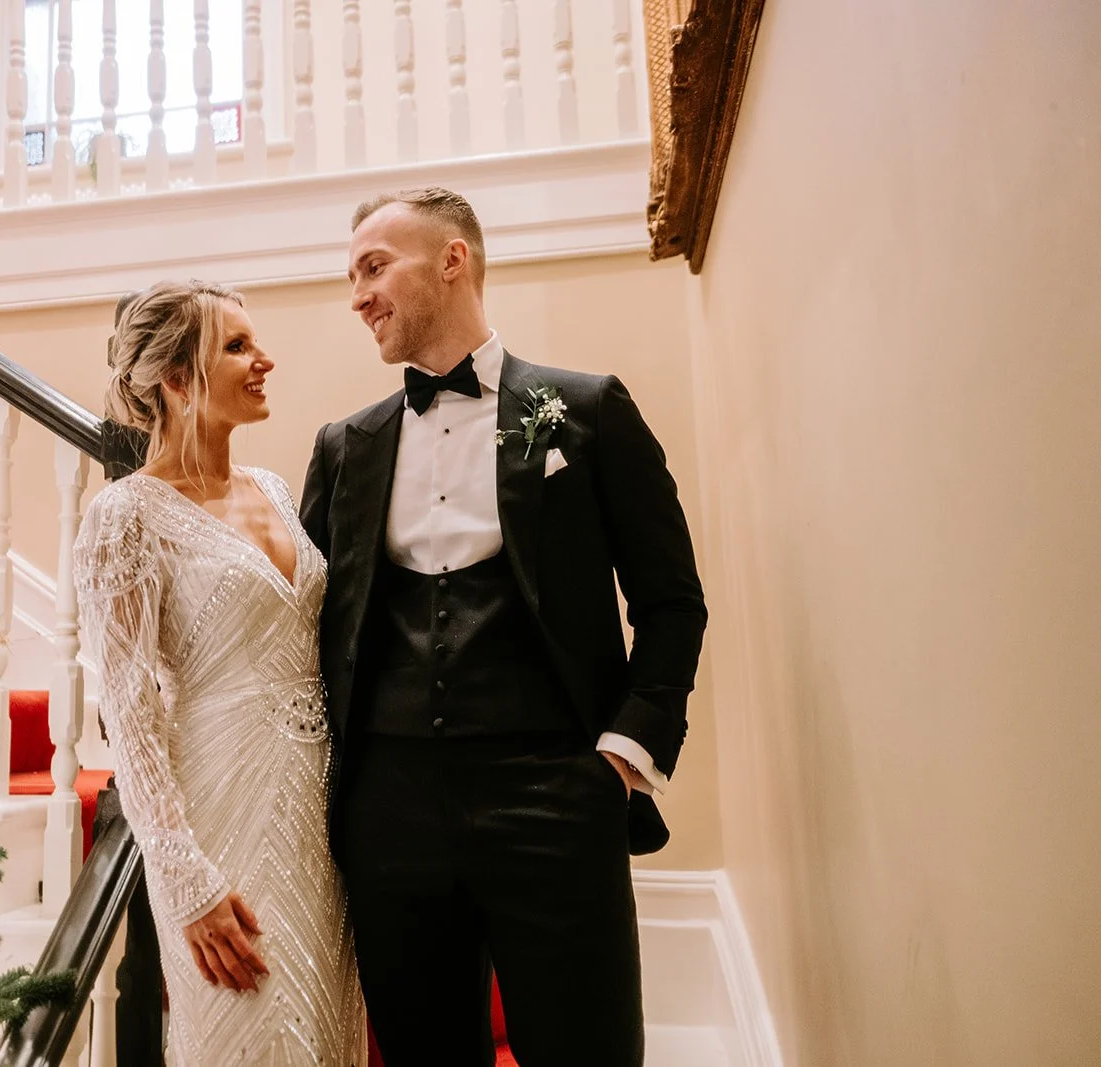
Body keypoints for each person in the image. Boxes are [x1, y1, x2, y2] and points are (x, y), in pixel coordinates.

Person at [300, 188, 707, 1066]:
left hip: (556, 796)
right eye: (351, 276)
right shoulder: (345, 445)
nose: (358, 294)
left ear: (454, 260)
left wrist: (624, 755)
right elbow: (304, 632)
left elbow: (672, 601)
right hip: (390, 811)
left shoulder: (584, 409)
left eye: (375, 267)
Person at [74, 281, 364, 1067]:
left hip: (321, 806)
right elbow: (130, 714)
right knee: (248, 1027)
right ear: (175, 378)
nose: (263, 359)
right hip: (220, 807)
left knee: (326, 1030)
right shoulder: (124, 516)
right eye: (237, 346)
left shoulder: (270, 487)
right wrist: (183, 877)